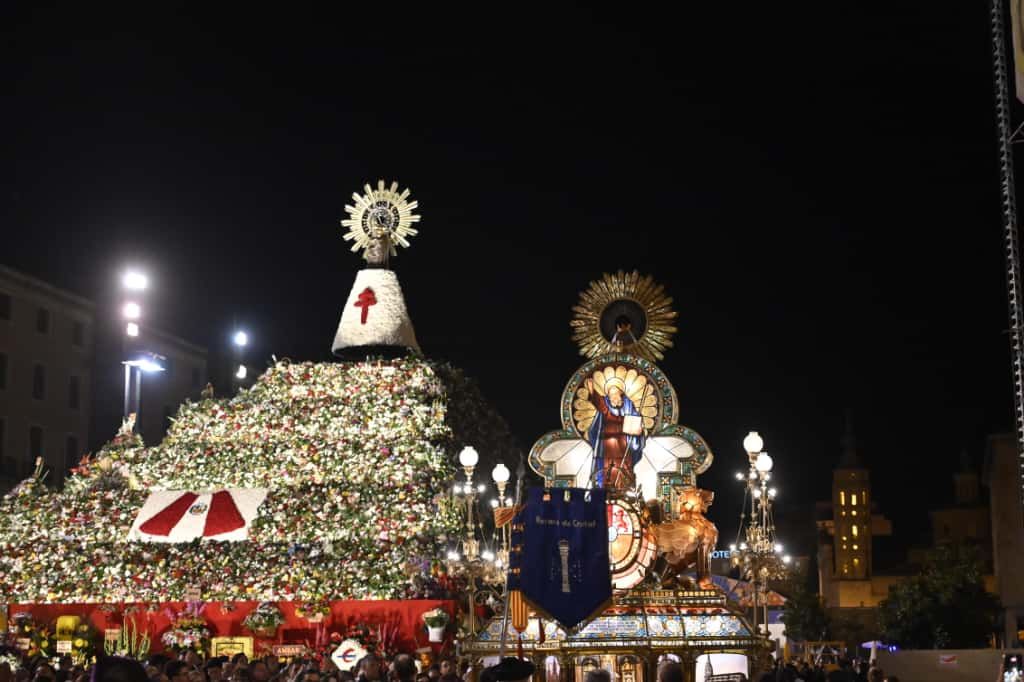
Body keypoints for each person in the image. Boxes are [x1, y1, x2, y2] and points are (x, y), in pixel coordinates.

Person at [584, 375, 646, 489]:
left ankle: (624, 489)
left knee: (625, 468)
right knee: (608, 468)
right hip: (607, 446)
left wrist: (638, 427)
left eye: (615, 394)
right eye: (610, 395)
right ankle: (606, 489)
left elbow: (635, 421)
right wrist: (592, 391)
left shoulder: (628, 405)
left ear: (620, 393)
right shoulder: (606, 408)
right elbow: (601, 405)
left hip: (623, 444)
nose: (613, 397)